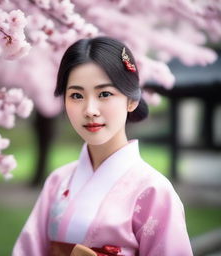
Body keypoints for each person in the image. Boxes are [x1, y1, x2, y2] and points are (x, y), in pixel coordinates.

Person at [12, 36, 193, 256]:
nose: (90, 110)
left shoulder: (154, 191)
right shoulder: (58, 181)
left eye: (105, 94)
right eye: (76, 95)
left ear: (131, 100)